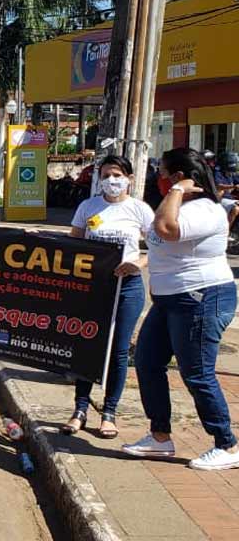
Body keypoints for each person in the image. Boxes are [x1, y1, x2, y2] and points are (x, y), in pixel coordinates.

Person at [122, 148, 239, 470]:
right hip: (169, 300)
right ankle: (160, 437)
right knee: (147, 362)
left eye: (162, 173)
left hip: (201, 297)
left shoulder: (204, 209)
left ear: (179, 178)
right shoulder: (177, 204)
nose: (157, 179)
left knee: (197, 374)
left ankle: (226, 444)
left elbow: (166, 230)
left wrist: (176, 191)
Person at [61, 156, 153, 438]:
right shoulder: (88, 207)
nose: (111, 180)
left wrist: (138, 263)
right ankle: (79, 410)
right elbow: (74, 243)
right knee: (88, 345)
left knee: (118, 351)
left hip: (127, 287)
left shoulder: (140, 210)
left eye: (117, 174)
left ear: (129, 178)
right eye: (106, 175)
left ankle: (110, 412)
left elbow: (159, 248)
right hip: (93, 288)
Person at [214, 151, 239, 227]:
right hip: (220, 199)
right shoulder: (217, 172)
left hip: (230, 199)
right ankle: (225, 232)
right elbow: (218, 186)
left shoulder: (230, 173)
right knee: (236, 209)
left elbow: (237, 180)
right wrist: (233, 187)